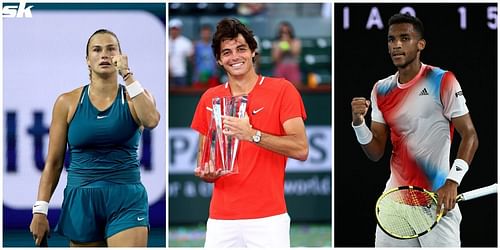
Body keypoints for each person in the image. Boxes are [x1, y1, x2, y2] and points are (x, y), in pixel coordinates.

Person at [350, 13, 478, 247]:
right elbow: (375, 150)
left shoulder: (443, 80)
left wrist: (452, 181)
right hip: (395, 202)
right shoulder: (381, 89)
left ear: (420, 45)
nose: (396, 45)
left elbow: (470, 135)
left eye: (404, 38)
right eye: (391, 39)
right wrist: (358, 124)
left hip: (436, 202)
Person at [29, 29, 160, 247]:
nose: (104, 55)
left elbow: (152, 120)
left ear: (120, 55)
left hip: (126, 199)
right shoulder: (66, 102)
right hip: (81, 200)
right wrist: (40, 210)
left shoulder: (136, 96)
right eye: (97, 50)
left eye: (111, 49)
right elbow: (53, 163)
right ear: (87, 60)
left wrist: (127, 74)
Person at [191, 18, 309, 248]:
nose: (234, 57)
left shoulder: (282, 90)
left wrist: (253, 134)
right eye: (226, 52)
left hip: (268, 219)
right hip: (221, 220)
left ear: (253, 52)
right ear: (219, 59)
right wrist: (208, 171)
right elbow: (203, 161)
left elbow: (301, 148)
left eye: (241, 49)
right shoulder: (209, 98)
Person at [271, 21, 302, 87]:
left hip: (292, 67)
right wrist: (281, 48)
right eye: (282, 32)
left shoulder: (295, 41)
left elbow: (295, 52)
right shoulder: (276, 43)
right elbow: (275, 59)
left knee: (295, 89)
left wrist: (287, 43)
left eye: (287, 32)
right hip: (280, 67)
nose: (285, 34)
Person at [192, 24, 219, 88]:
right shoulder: (196, 46)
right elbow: (192, 59)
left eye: (208, 33)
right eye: (204, 33)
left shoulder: (215, 46)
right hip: (199, 76)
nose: (206, 35)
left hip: (212, 75)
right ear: (200, 34)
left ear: (211, 33)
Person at [169, 18, 194, 87]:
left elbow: (190, 59)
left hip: (181, 73)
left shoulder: (186, 42)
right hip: (167, 74)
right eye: (172, 29)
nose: (174, 31)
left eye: (176, 29)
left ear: (180, 30)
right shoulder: (166, 41)